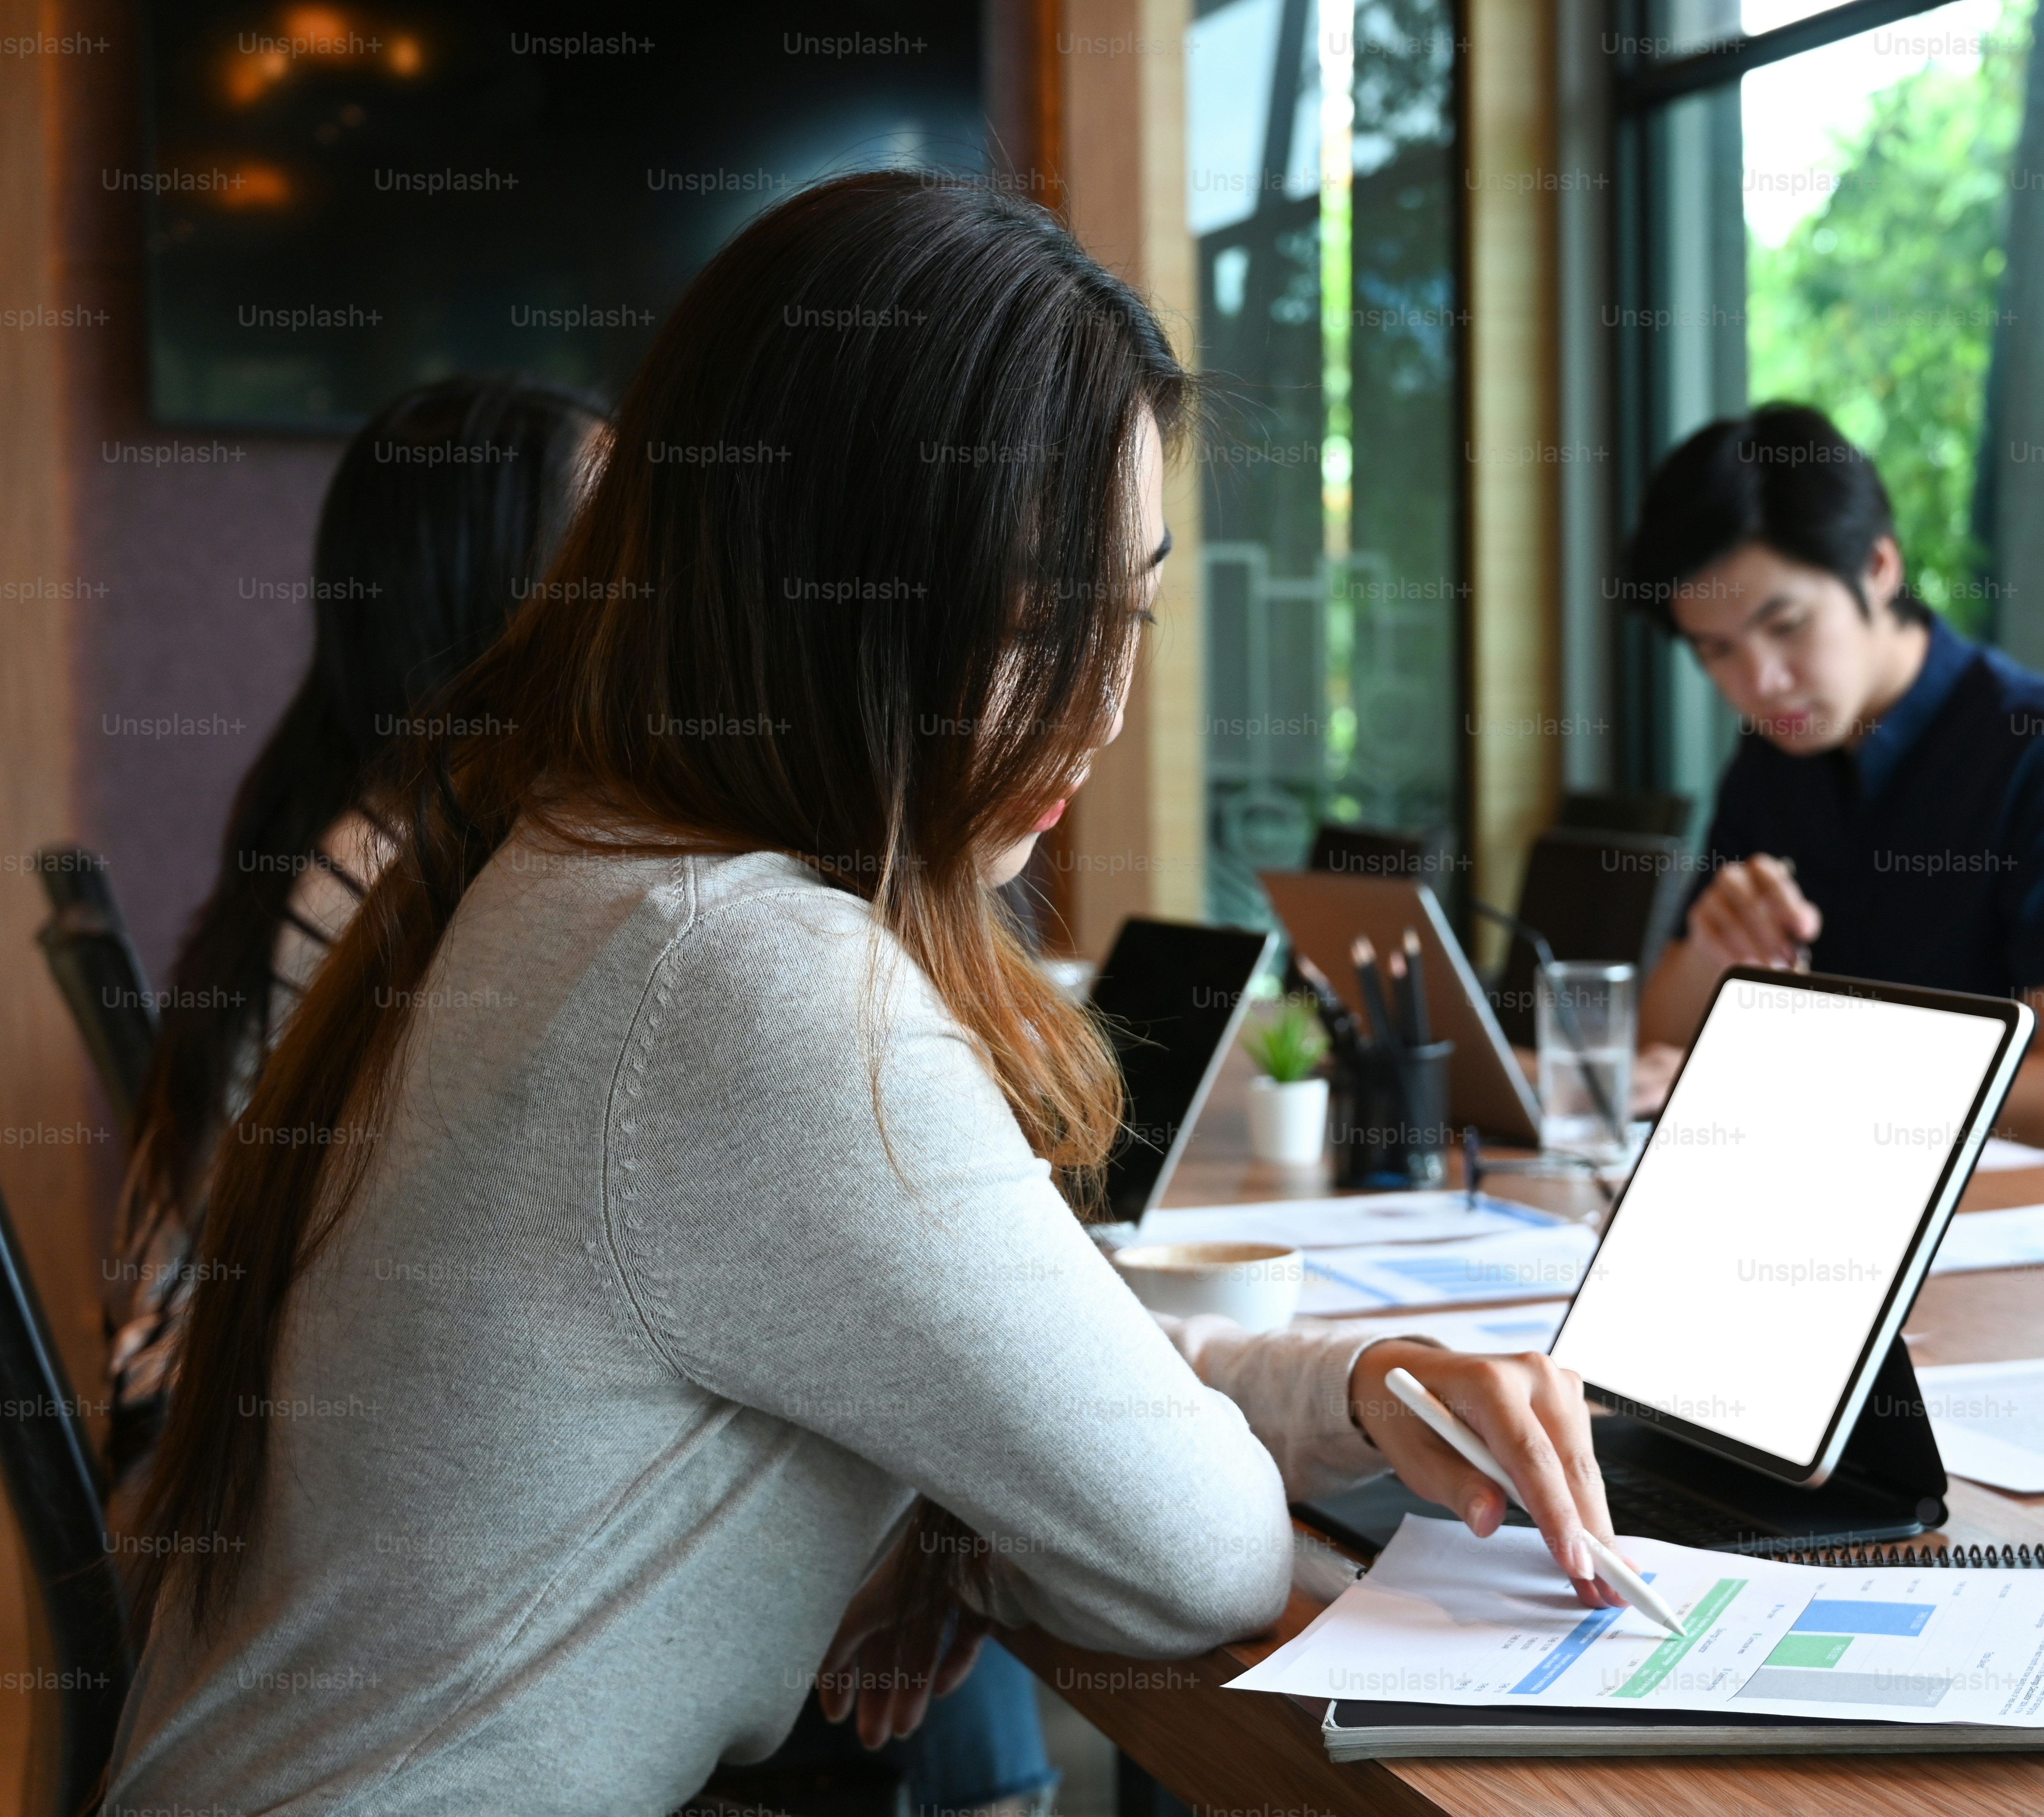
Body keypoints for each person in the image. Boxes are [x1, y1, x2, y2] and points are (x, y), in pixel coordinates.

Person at [106, 173, 1625, 1816]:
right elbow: (1201, 1555)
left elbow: (1025, 1366)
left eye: (1131, 614)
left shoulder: (562, 853)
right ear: (825, 590)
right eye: (1044, 618)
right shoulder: (752, 978)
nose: (1101, 707)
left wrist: (1336, 1390)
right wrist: (975, 1504)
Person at [108, 374, 609, 1477]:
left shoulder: (372, 806)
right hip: (216, 1457)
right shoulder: (402, 868)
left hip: (222, 1398)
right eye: (606, 538)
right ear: (506, 589)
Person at [1624, 405, 2044, 1182]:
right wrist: (1710, 955)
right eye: (1717, 651)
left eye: (1786, 625)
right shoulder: (1776, 756)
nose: (1759, 682)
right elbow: (1660, 1050)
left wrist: (1784, 1084)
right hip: (1854, 1195)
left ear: (1879, 569)